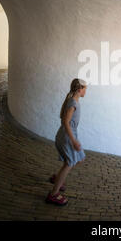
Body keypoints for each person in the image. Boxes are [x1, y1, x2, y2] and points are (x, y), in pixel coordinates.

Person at [46, 78, 87, 206]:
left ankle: (57, 178)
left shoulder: (73, 101)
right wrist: (73, 140)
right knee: (69, 163)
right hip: (67, 137)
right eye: (86, 89)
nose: (86, 91)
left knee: (79, 159)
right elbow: (65, 122)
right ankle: (53, 194)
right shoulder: (73, 104)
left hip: (68, 135)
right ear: (80, 89)